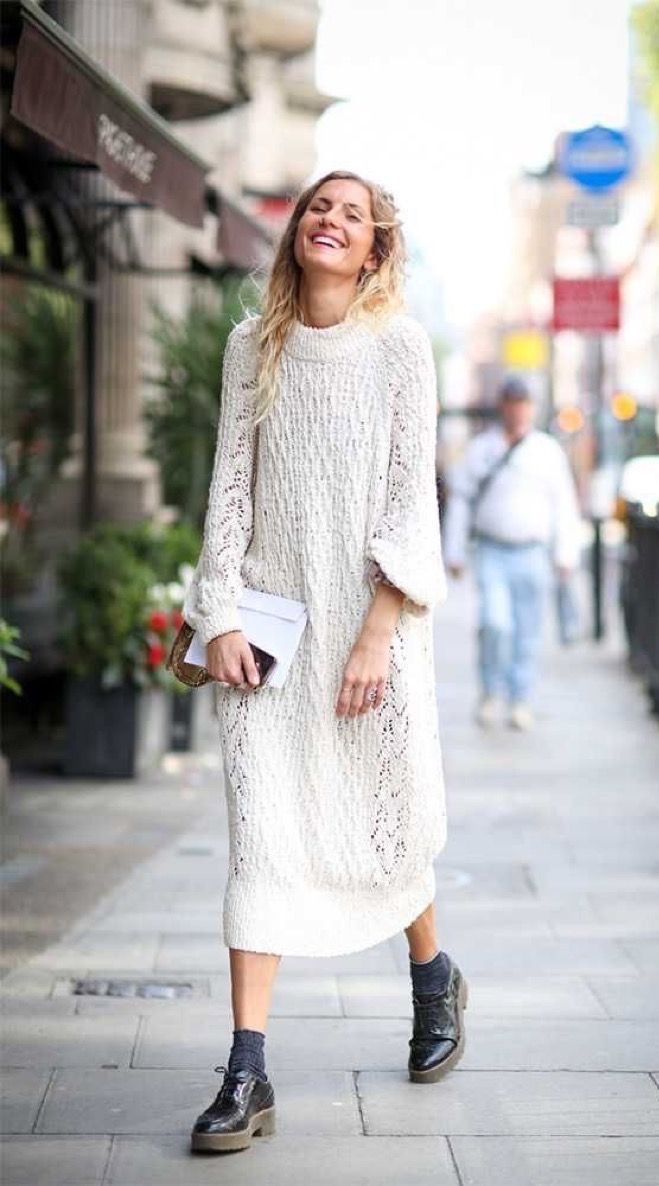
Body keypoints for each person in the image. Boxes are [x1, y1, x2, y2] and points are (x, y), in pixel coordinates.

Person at [182, 171, 468, 1155]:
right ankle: (246, 1070)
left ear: (375, 249)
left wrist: (378, 633)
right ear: (297, 230)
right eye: (318, 206)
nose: (330, 220)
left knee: (382, 823)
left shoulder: (399, 347)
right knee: (260, 835)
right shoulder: (250, 345)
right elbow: (229, 481)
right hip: (270, 631)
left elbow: (412, 499)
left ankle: (432, 978)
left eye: (352, 214)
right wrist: (219, 612)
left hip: (370, 627)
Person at [442, 376, 581, 729]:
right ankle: (491, 691)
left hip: (533, 551)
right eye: (512, 402)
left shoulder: (546, 451)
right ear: (503, 406)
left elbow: (563, 503)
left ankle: (520, 697)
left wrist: (566, 553)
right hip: (492, 549)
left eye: (523, 403)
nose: (518, 410)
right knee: (495, 623)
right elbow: (461, 501)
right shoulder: (481, 449)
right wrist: (453, 550)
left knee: (527, 629)